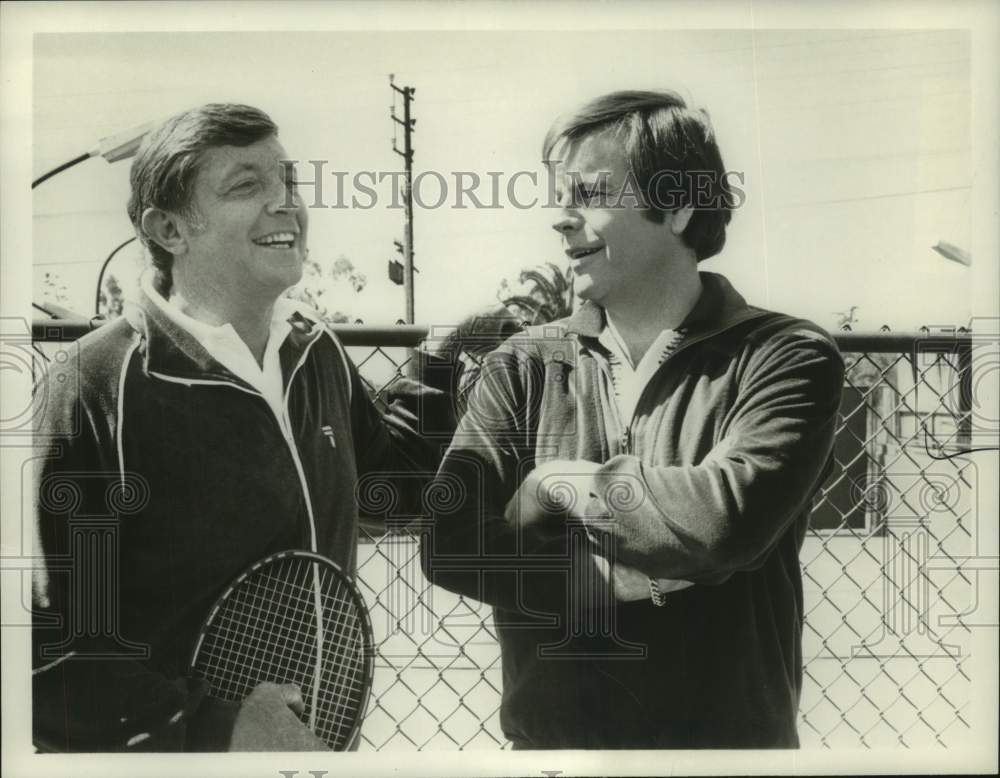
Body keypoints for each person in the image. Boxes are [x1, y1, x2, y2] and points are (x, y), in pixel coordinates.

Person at [421, 90, 845, 749]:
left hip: (724, 757)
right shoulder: (522, 363)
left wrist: (552, 485)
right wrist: (642, 574)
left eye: (588, 193)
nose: (561, 220)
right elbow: (451, 542)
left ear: (676, 204)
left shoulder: (786, 355)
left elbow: (724, 520)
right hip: (553, 755)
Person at [32, 103, 443, 752]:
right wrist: (213, 728)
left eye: (289, 182)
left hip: (319, 750)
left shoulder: (316, 352)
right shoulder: (92, 386)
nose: (287, 204)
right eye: (247, 185)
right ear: (168, 229)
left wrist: (445, 364)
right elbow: (46, 644)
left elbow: (394, 491)